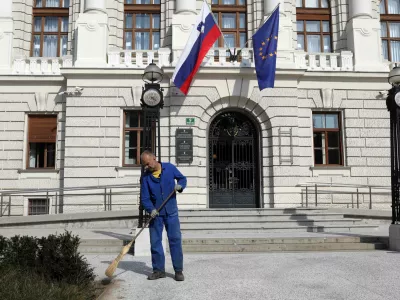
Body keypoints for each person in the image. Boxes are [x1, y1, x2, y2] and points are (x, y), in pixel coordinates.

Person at [140, 150, 187, 281]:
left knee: (175, 240)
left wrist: (180, 185)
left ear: (154, 158)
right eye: (145, 165)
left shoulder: (169, 168)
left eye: (148, 164)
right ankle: (159, 270)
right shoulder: (145, 178)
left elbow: (182, 178)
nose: (147, 167)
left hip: (171, 212)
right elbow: (144, 198)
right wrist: (151, 209)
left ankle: (178, 271)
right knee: (155, 243)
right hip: (156, 215)